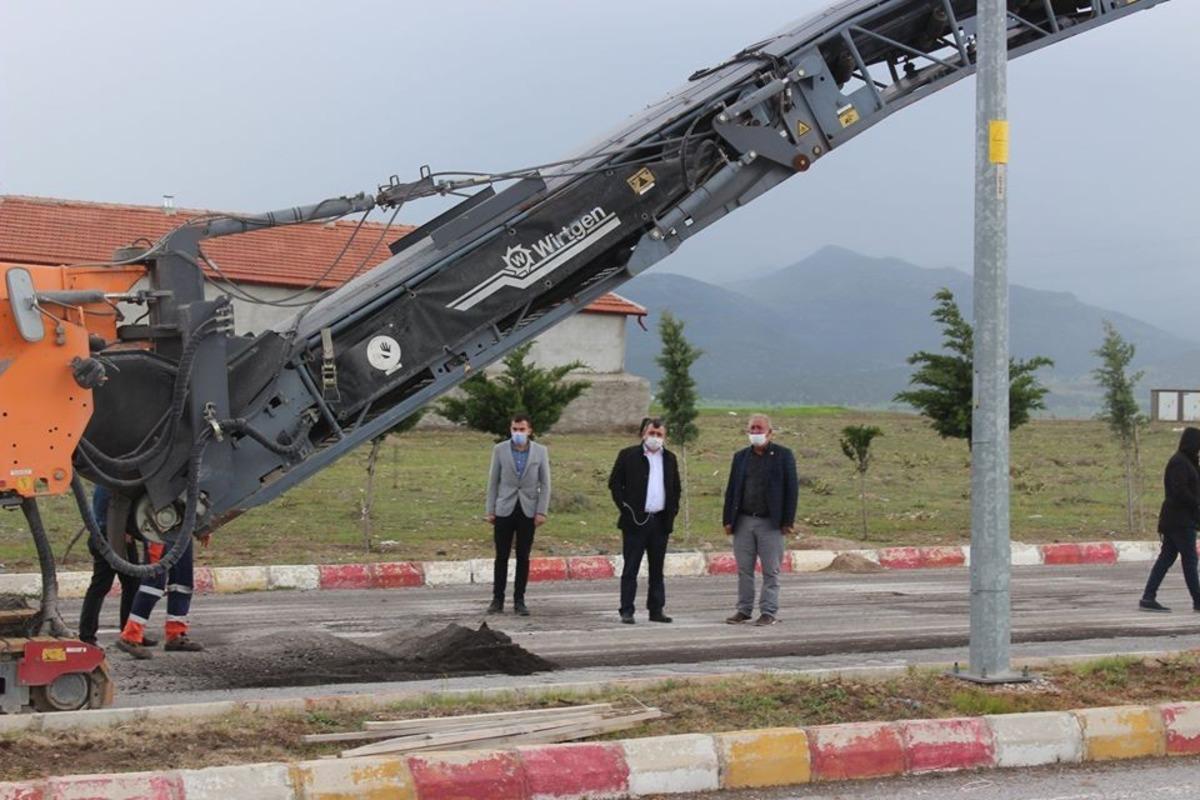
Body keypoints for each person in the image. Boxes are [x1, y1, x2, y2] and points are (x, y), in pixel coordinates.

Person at [722, 413, 798, 626]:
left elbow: (791, 490)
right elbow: (732, 489)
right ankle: (744, 609)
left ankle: (768, 611)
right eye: (752, 429)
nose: (755, 433)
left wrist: (787, 521)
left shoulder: (783, 455)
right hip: (744, 520)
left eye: (759, 429)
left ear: (770, 432)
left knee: (770, 570)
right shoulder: (740, 457)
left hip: (770, 523)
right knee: (744, 569)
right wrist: (728, 519)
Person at [608, 417, 682, 624]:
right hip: (635, 521)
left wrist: (672, 511)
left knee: (657, 569)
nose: (655, 438)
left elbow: (675, 489)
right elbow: (615, 485)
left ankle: (656, 609)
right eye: (652, 434)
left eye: (659, 435)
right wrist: (626, 509)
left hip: (660, 522)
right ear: (643, 434)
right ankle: (627, 609)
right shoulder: (628, 456)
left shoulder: (670, 459)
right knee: (631, 567)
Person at [485, 412, 551, 616]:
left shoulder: (540, 452)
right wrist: (490, 510)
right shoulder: (500, 450)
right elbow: (493, 481)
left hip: (528, 510)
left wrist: (541, 511)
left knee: (523, 556)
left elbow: (546, 483)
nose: (518, 433)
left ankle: (519, 599)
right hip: (505, 508)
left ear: (530, 431)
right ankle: (497, 599)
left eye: (522, 429)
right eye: (515, 429)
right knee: (501, 556)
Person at [115, 517, 207, 659]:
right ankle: (130, 636)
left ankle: (175, 634)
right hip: (159, 523)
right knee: (153, 584)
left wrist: (203, 526)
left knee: (182, 583)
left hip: (182, 525)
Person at [78, 485, 154, 648]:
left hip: (116, 535)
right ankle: (87, 635)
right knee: (101, 585)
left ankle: (128, 633)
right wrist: (123, 530)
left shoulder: (108, 478)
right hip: (110, 535)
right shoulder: (112, 481)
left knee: (131, 584)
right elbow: (112, 509)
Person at [1140, 427, 1200, 612]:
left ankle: (1148, 597)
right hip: (1179, 521)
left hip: (1179, 520)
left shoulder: (1188, 462)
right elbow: (1179, 491)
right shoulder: (1179, 463)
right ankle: (1198, 600)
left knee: (1166, 558)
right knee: (1190, 560)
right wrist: (1197, 504)